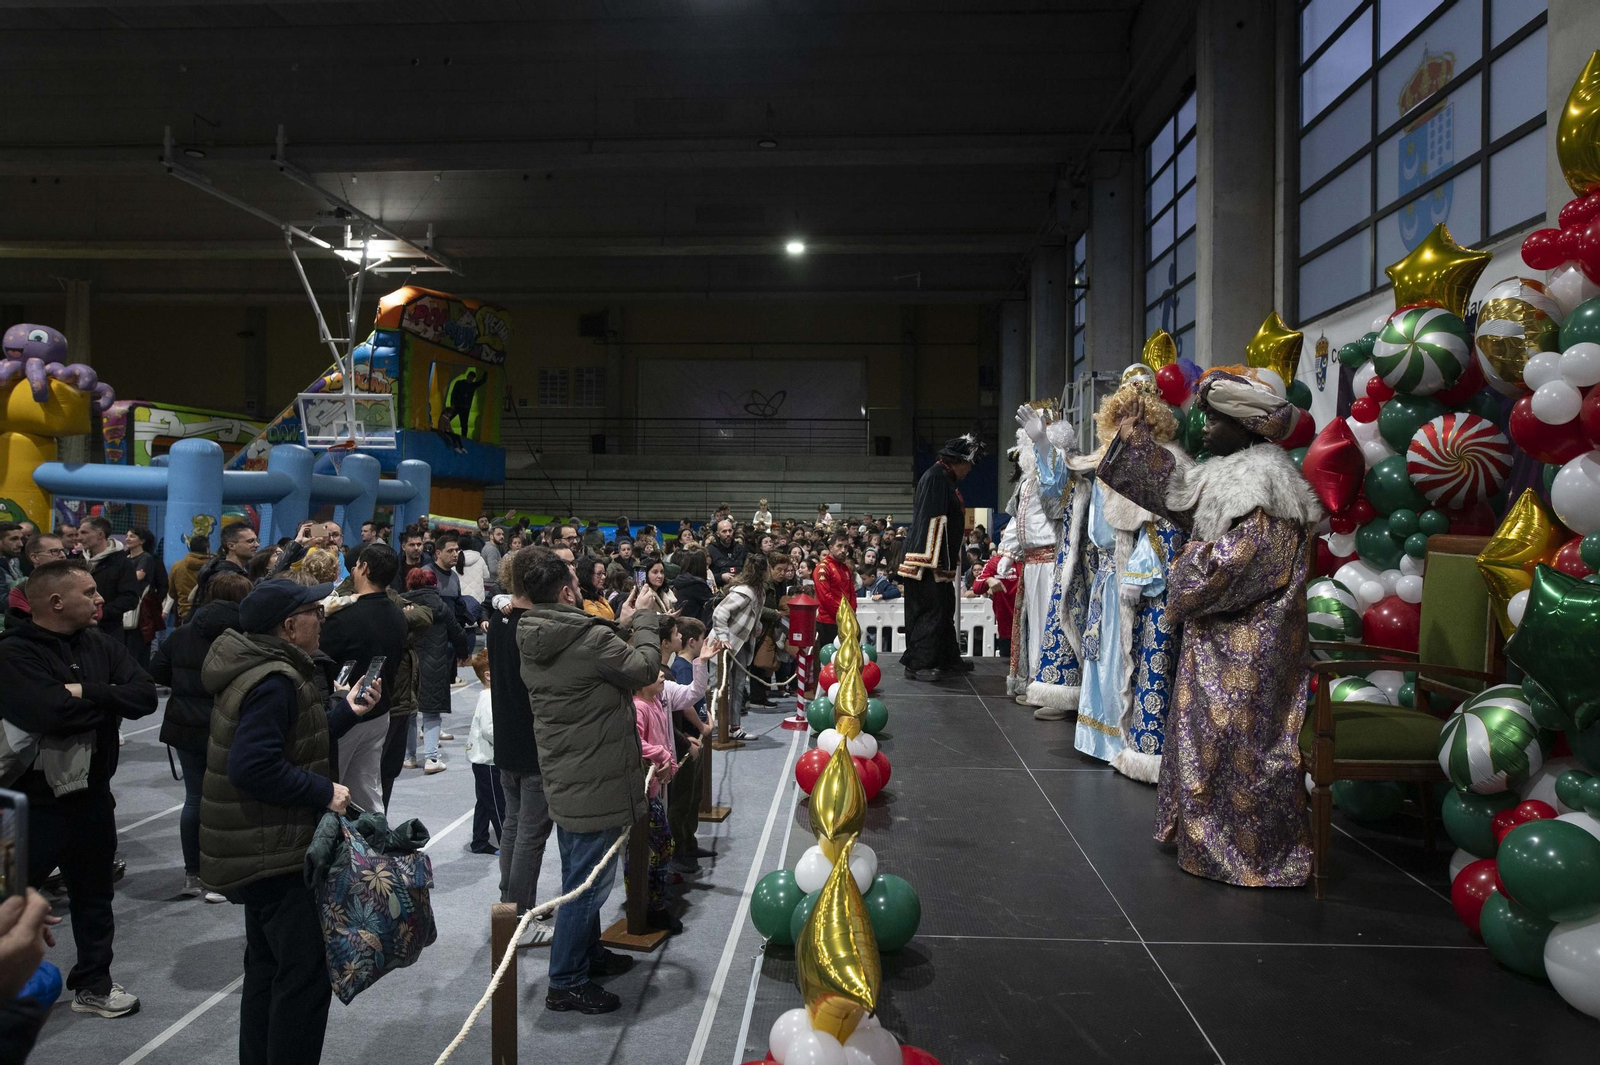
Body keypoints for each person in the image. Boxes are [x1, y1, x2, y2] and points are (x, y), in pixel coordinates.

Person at [1099, 368, 1321, 887]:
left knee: (1240, 748)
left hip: (1250, 644)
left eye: (1215, 420)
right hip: (1219, 637)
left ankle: (1248, 854)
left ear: (1244, 428)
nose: (1202, 428)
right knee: (1206, 741)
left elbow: (1241, 566)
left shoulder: (1264, 484)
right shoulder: (1230, 472)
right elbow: (1175, 494)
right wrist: (1136, 442)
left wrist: (1182, 571)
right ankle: (1202, 838)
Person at [198, 578, 382, 1064]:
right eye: (313, 612)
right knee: (301, 979)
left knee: (266, 971)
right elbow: (253, 766)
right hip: (275, 852)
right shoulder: (275, 679)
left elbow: (296, 738)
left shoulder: (260, 668)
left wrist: (346, 713)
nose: (321, 619)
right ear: (288, 625)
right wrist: (325, 791)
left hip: (259, 846)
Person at [0, 559, 157, 1018]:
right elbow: (47, 713)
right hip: (30, 806)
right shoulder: (13, 652)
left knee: (95, 896)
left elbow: (145, 696)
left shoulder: (100, 643)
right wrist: (106, 699)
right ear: (54, 601)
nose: (100, 599)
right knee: (9, 900)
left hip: (91, 799)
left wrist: (82, 692)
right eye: (89, 592)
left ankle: (94, 984)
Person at [517, 549, 661, 1015]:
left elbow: (593, 650)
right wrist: (644, 620)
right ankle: (566, 981)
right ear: (565, 591)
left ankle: (587, 953)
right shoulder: (587, 639)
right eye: (576, 584)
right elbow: (644, 669)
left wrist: (619, 624)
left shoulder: (536, 632)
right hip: (594, 775)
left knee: (581, 874)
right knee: (587, 885)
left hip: (570, 773)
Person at [1031, 379, 1190, 766]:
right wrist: (1042, 445)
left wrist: (1139, 573)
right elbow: (1057, 488)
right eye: (1119, 418)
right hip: (1103, 576)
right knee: (1101, 659)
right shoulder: (1105, 460)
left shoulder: (1165, 463)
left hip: (1136, 578)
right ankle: (1099, 742)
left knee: (1126, 661)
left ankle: (1124, 743)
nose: (1126, 426)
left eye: (1135, 420)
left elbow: (1164, 525)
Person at [151, 571, 250, 904]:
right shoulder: (247, 634)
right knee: (230, 802)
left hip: (184, 729)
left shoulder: (181, 633)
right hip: (228, 728)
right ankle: (224, 875)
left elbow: (156, 673)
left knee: (194, 800)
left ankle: (193, 873)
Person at [489, 549, 553, 947]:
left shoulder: (500, 617)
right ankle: (519, 921)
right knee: (530, 832)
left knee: (514, 827)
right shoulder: (532, 624)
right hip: (531, 743)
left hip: (507, 739)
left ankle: (508, 907)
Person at [318, 543, 409, 811]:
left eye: (356, 566)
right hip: (380, 712)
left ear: (364, 568)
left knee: (330, 790)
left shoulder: (342, 618)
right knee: (368, 791)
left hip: (346, 715)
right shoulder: (398, 615)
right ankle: (373, 846)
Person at [631, 645, 710, 934]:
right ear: (641, 681)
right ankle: (650, 907)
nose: (664, 677)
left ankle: (656, 898)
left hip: (659, 783)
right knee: (655, 848)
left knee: (661, 848)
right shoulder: (638, 706)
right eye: (657, 674)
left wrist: (702, 662)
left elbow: (694, 692)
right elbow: (635, 742)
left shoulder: (658, 698)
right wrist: (663, 755)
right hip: (646, 788)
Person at [997, 404, 1073, 706]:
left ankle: (1048, 684)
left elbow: (1055, 488)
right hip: (1030, 563)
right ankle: (1033, 681)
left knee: (1047, 624)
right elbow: (1019, 520)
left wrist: (1042, 444)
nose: (1026, 446)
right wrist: (1008, 552)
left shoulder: (1056, 474)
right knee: (1032, 625)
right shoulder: (1026, 482)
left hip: (1051, 561)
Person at [897, 434, 980, 680]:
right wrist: (933, 561)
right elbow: (932, 520)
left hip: (937, 560)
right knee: (929, 611)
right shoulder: (936, 477)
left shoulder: (943, 477)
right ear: (958, 461)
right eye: (969, 464)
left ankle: (946, 657)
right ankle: (918, 664)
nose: (970, 470)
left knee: (944, 610)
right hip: (927, 562)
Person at [401, 566, 471, 774]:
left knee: (410, 713)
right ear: (434, 584)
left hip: (408, 665)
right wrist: (463, 654)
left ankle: (409, 757)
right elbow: (458, 634)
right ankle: (431, 759)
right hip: (436, 663)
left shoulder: (402, 605)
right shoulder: (440, 606)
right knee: (432, 713)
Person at [710, 553, 767, 741]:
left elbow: (754, 616)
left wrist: (756, 627)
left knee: (738, 686)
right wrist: (723, 637)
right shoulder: (744, 592)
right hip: (723, 646)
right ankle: (711, 727)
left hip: (740, 645)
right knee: (716, 686)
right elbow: (720, 612)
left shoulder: (759, 592)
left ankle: (734, 727)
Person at [464, 649, 505, 855]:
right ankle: (507, 843)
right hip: (489, 760)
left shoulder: (487, 696)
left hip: (483, 759)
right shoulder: (489, 699)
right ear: (488, 675)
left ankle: (479, 840)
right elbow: (491, 730)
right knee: (497, 803)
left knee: (483, 801)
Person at [122, 526, 167, 666]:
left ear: (142, 541)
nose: (128, 539)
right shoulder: (124, 558)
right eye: (127, 535)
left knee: (139, 644)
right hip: (125, 606)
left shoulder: (147, 558)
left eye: (132, 536)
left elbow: (139, 576)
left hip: (141, 608)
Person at [5, 533, 66, 628]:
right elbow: (28, 625)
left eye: (63, 551)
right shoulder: (21, 591)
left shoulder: (78, 583)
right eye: (54, 551)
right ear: (34, 557)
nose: (62, 555)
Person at [812, 529, 857, 649]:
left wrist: (851, 613)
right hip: (828, 622)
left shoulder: (845, 568)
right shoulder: (822, 568)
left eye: (846, 547)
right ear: (831, 548)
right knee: (829, 661)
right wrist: (843, 615)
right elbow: (825, 597)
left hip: (845, 620)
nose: (843, 550)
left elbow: (852, 593)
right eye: (839, 546)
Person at [168, 534, 210, 622]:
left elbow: (172, 592)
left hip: (185, 613)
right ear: (207, 549)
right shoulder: (213, 566)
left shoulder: (177, 566)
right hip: (208, 613)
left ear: (190, 547)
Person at [670, 549, 713, 626]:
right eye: (705, 565)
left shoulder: (681, 579)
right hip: (694, 626)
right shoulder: (697, 584)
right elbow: (712, 603)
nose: (707, 568)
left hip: (681, 623)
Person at [706, 519, 746, 588]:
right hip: (720, 588)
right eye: (724, 531)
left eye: (730, 531)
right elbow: (705, 574)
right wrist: (720, 577)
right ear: (718, 534)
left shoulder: (741, 549)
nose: (728, 534)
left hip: (740, 587)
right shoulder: (710, 550)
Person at [576, 556, 614, 620]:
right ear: (587, 575)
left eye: (604, 573)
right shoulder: (585, 602)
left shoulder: (598, 595)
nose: (604, 577)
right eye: (599, 574)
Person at [393, 527, 427, 593]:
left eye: (419, 544)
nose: (416, 548)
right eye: (412, 545)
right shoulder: (395, 566)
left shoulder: (429, 566)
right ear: (403, 547)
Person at [0, 521, 24, 599]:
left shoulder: (15, 561)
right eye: (14, 539)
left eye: (21, 539)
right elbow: (2, 602)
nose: (21, 544)